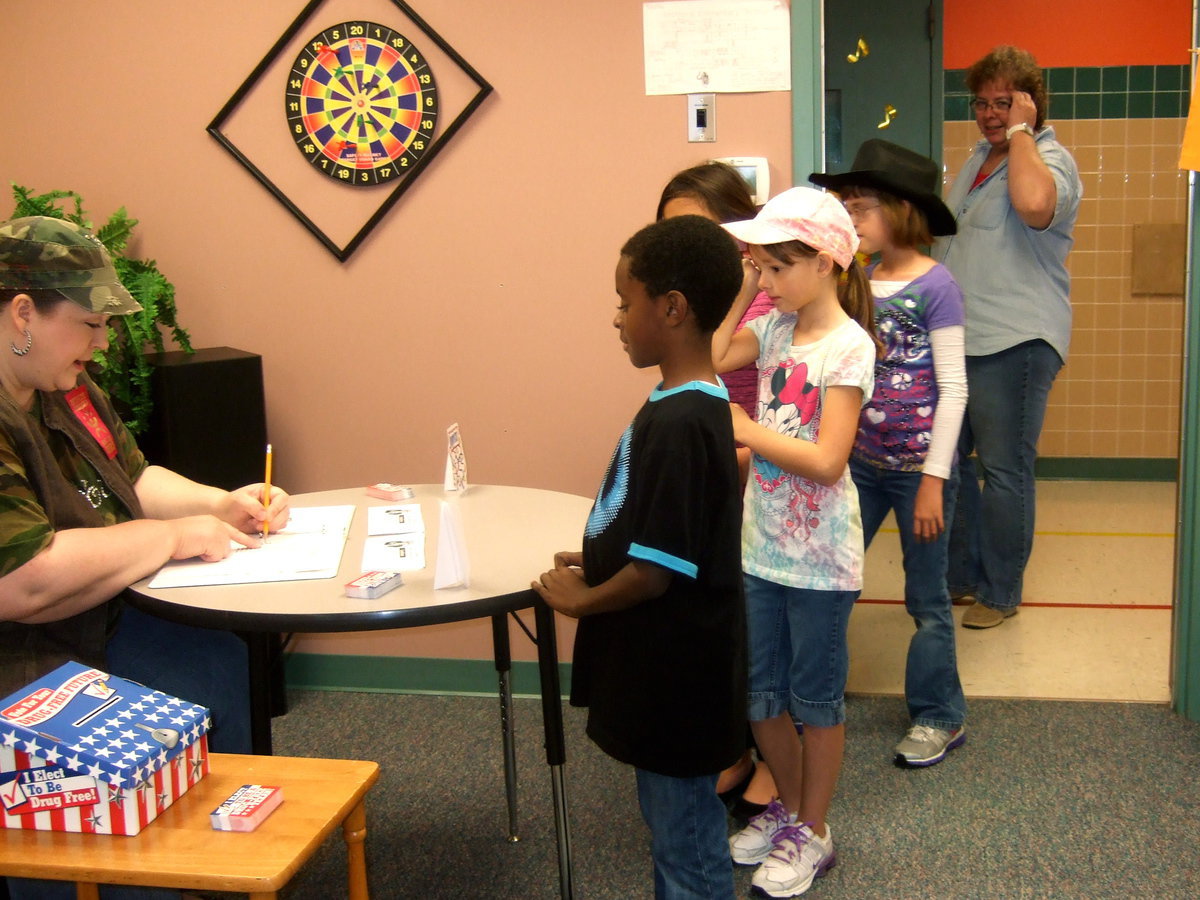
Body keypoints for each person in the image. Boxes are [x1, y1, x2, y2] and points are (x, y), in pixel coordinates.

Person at [0, 216, 289, 900]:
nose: (101, 345)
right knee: (134, 759)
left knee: (215, 661)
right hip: (23, 660)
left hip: (90, 627)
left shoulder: (62, 387)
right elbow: (22, 581)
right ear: (22, 314)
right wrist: (171, 536)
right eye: (90, 324)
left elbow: (130, 478)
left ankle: (218, 866)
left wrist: (218, 504)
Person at [532, 214, 747, 900]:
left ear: (673, 309)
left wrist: (583, 600)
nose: (618, 318)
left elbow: (657, 571)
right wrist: (595, 554)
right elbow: (658, 522)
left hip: (679, 680)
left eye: (627, 302)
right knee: (672, 827)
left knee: (686, 842)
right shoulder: (682, 401)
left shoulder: (685, 421)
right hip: (672, 674)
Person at [713, 187, 878, 898]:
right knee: (761, 696)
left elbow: (829, 459)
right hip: (762, 548)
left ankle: (813, 831)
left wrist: (749, 433)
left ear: (826, 263)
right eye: (764, 267)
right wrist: (747, 282)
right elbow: (717, 352)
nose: (770, 281)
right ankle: (783, 808)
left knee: (815, 703)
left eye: (781, 266)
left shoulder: (850, 346)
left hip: (820, 562)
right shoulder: (775, 329)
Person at [810, 139, 968, 767]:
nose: (849, 220)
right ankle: (817, 701)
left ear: (901, 209)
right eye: (844, 208)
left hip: (920, 473)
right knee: (832, 583)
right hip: (864, 468)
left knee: (926, 600)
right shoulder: (862, 280)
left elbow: (954, 390)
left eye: (859, 208)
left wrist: (933, 480)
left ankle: (939, 714)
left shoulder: (940, 286)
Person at [933, 45, 1082, 630]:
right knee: (949, 462)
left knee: (1002, 469)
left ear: (1030, 104)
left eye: (1005, 103)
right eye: (982, 102)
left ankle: (1000, 591)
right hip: (961, 340)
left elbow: (1035, 205)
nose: (990, 114)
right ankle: (962, 580)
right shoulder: (974, 160)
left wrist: (1022, 131)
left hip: (1016, 340)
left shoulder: (1048, 159)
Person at [656, 161, 776, 818]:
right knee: (707, 621)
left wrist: (749, 275)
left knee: (752, 626)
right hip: (706, 472)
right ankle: (729, 745)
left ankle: (761, 755)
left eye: (702, 233)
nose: (686, 250)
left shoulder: (766, 295)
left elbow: (717, 361)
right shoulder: (676, 298)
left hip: (758, 479)